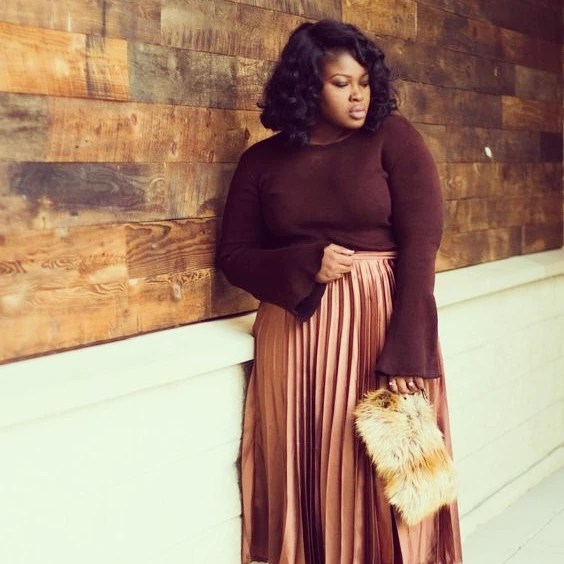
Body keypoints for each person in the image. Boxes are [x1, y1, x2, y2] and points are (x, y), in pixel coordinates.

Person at [218, 19, 463, 564]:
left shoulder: (394, 138)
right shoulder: (261, 162)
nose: (358, 95)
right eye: (341, 83)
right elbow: (234, 257)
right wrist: (305, 262)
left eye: (365, 82)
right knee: (306, 459)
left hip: (380, 320)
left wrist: (409, 349)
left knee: (380, 467)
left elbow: (422, 247)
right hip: (295, 331)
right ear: (308, 86)